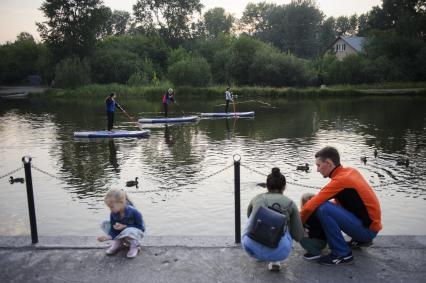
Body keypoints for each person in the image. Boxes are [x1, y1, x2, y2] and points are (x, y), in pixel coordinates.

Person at [300, 146, 382, 265]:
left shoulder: (341, 180)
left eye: (318, 165)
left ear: (328, 163)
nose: (317, 170)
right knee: (320, 204)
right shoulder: (349, 172)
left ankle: (341, 253)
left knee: (323, 208)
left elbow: (311, 206)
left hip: (367, 231)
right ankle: (358, 241)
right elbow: (346, 203)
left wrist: (296, 224)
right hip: (369, 227)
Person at [242, 168, 304, 272]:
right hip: (279, 252)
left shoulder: (256, 198)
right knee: (285, 225)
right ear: (284, 187)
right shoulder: (290, 203)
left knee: (252, 220)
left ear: (266, 186)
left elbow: (249, 216)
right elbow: (298, 235)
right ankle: (275, 261)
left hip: (250, 247)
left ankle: (258, 253)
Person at [97, 188, 145, 258]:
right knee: (104, 223)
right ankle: (118, 242)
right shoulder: (113, 213)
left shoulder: (134, 212)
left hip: (135, 233)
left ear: (121, 202)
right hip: (122, 232)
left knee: (129, 230)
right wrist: (108, 237)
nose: (110, 209)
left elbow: (141, 228)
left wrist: (125, 227)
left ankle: (135, 246)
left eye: (112, 207)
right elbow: (113, 229)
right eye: (109, 207)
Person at [299, 193, 327, 260]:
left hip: (320, 241)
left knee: (301, 238)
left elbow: (315, 232)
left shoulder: (312, 217)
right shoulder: (318, 213)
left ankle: (315, 253)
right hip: (323, 240)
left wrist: (306, 233)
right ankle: (314, 248)